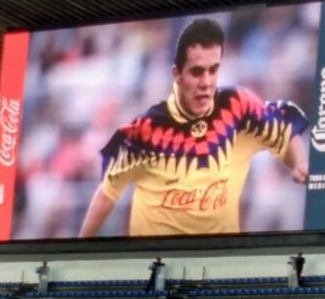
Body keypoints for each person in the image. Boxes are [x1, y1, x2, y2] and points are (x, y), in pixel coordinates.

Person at [78, 18, 308, 238]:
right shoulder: (143, 130)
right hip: (155, 267)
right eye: (197, 72)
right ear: (176, 74)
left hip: (219, 266)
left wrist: (299, 162)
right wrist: (77, 253)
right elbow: (106, 195)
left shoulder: (237, 106)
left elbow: (284, 127)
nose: (206, 82)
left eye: (213, 70)